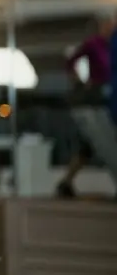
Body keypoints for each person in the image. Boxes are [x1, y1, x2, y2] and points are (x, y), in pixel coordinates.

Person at [57, 15, 114, 198]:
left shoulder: (112, 45)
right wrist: (80, 82)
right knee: (97, 141)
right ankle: (66, 182)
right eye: (109, 24)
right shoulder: (93, 44)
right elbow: (71, 61)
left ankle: (66, 182)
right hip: (97, 95)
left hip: (110, 95)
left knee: (88, 146)